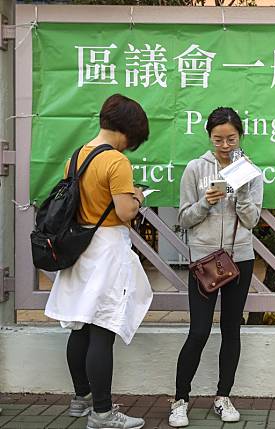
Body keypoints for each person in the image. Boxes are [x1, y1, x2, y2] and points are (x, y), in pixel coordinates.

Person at [44, 94, 153, 429]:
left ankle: (82, 399)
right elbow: (124, 213)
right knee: (103, 331)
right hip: (106, 248)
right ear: (128, 130)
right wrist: (137, 196)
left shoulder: (77, 156)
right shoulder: (117, 162)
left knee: (80, 326)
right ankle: (103, 414)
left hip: (79, 247)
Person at [168, 107, 263, 427]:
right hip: (205, 260)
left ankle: (223, 396)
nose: (224, 145)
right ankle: (180, 399)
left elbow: (252, 221)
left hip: (240, 258)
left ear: (241, 137)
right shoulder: (195, 169)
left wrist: (242, 195)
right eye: (218, 139)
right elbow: (183, 219)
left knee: (231, 329)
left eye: (231, 138)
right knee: (198, 331)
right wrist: (205, 203)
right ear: (209, 136)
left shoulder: (249, 171)